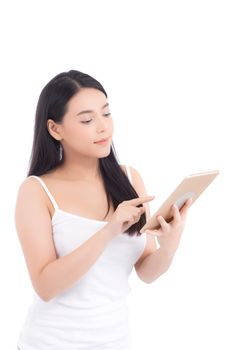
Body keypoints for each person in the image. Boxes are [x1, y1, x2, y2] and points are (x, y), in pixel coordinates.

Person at [15, 69, 192, 349]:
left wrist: (168, 247)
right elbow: (45, 286)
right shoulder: (36, 190)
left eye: (106, 114)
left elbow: (146, 271)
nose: (103, 127)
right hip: (50, 342)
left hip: (115, 341)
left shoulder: (130, 179)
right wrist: (108, 230)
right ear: (55, 129)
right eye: (87, 119)